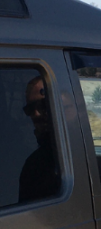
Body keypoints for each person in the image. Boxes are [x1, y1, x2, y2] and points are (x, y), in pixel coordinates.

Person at [19, 75, 60, 203]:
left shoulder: (81, 152)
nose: (36, 114)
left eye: (43, 105)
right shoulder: (33, 165)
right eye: (30, 109)